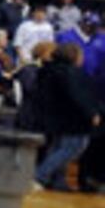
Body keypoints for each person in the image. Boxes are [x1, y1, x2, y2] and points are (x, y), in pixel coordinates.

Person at [34, 42, 101, 191]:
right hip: (73, 120)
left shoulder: (50, 70)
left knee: (58, 148)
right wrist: (92, 113)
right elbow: (79, 96)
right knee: (71, 149)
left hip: (57, 118)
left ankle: (58, 181)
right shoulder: (71, 73)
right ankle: (40, 176)